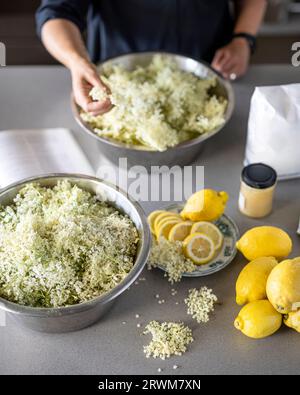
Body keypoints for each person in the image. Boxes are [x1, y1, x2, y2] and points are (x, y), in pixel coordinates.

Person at [36, 0, 266, 116]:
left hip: (209, 71)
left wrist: (243, 39)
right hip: (115, 81)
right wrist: (77, 62)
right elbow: (56, 12)